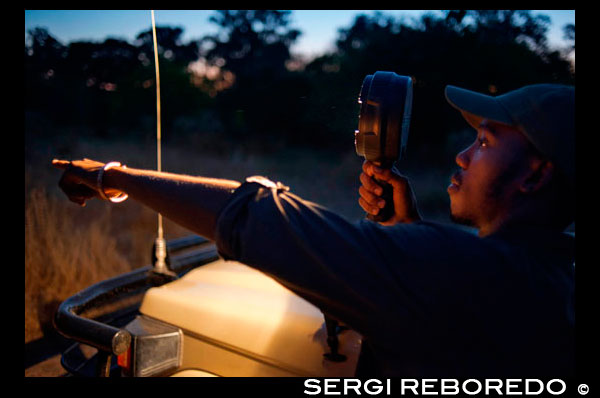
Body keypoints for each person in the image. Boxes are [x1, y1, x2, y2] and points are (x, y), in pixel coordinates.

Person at [52, 83, 575, 378]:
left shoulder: (466, 271)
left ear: (536, 173)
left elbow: (259, 220)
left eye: (484, 142)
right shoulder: (549, 277)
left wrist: (108, 177)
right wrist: (408, 232)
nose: (462, 155)